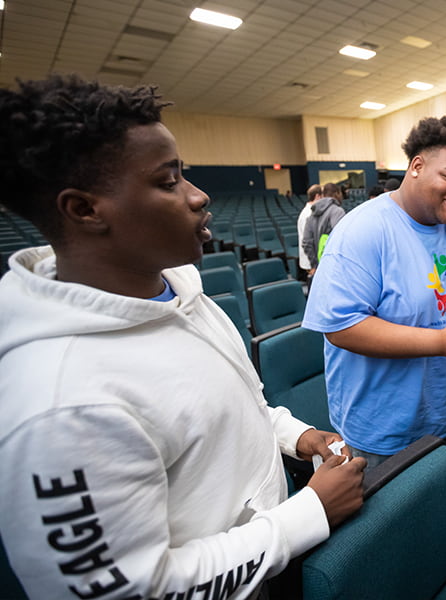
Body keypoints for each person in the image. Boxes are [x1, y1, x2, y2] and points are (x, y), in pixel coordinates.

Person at [0, 74, 366, 597]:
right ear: (84, 210)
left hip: (264, 564)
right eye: (168, 180)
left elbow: (233, 406)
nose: (197, 196)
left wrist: (295, 436)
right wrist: (308, 515)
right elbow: (128, 590)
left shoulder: (182, 296)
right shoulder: (61, 407)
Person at [302, 114, 446, 471]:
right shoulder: (362, 230)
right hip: (378, 436)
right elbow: (341, 327)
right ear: (417, 166)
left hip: (445, 418)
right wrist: (441, 343)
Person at [302, 182, 345, 283]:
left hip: (320, 268)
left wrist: (314, 265)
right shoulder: (337, 211)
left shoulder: (311, 215)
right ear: (337, 193)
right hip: (336, 269)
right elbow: (341, 240)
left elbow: (306, 242)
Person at [297, 183, 322, 280]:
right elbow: (307, 242)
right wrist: (313, 265)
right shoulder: (308, 214)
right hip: (311, 263)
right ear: (317, 196)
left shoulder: (312, 212)